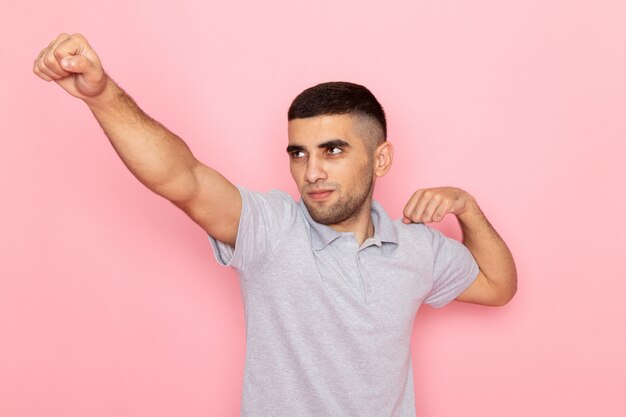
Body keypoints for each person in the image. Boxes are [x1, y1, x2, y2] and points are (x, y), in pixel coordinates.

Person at [33, 33, 517, 417]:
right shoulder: (273, 228)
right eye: (299, 153)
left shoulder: (417, 247)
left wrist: (467, 208)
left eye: (333, 150)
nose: (311, 172)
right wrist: (102, 96)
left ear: (381, 158)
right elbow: (184, 178)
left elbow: (499, 286)